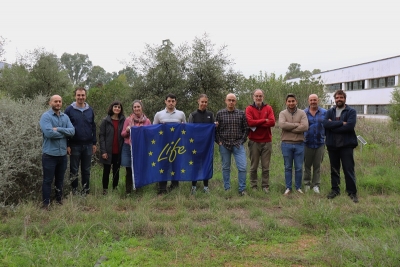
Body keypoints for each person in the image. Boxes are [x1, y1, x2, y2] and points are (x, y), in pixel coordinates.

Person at [323, 89, 359, 203]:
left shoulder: (351, 111)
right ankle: (335, 190)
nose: (339, 99)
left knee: (348, 169)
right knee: (334, 169)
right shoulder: (330, 111)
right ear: (335, 99)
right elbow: (325, 124)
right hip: (332, 145)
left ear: (345, 99)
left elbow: (349, 126)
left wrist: (332, 126)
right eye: (337, 98)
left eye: (341, 97)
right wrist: (340, 123)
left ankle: (352, 192)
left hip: (346, 145)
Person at [39, 95, 75, 209]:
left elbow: (72, 131)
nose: (58, 103)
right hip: (49, 155)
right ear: (50, 103)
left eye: (59, 101)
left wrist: (58, 129)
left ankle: (59, 201)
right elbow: (49, 133)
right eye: (55, 101)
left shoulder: (65, 117)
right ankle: (46, 204)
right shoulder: (46, 116)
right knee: (48, 180)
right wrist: (65, 133)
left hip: (62, 155)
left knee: (60, 180)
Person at [65, 87, 96, 196]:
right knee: (74, 170)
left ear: (85, 96)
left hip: (88, 145)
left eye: (82, 95)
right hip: (74, 145)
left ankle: (85, 192)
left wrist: (94, 143)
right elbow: (65, 128)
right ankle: (74, 192)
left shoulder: (90, 110)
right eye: (78, 95)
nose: (80, 97)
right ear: (75, 96)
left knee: (86, 170)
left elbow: (93, 127)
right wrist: (67, 144)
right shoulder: (69, 110)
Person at [215, 93, 248, 196]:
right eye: (229, 100)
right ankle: (227, 188)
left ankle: (242, 189)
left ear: (235, 102)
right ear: (225, 101)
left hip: (238, 144)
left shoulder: (241, 114)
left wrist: (242, 140)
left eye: (233, 100)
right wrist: (219, 141)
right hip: (224, 144)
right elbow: (216, 130)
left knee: (242, 167)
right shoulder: (220, 114)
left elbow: (246, 129)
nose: (231, 102)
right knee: (226, 167)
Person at [153, 93, 186, 194]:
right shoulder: (159, 114)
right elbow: (153, 129)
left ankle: (174, 187)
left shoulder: (181, 114)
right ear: (165, 101)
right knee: (163, 165)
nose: (171, 103)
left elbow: (185, 129)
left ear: (175, 102)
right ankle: (162, 188)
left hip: (177, 145)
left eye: (173, 101)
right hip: (163, 145)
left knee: (176, 165)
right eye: (169, 101)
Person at [245, 89, 276, 193]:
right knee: (253, 166)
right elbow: (249, 122)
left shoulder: (268, 108)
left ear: (263, 96)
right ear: (253, 96)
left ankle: (265, 186)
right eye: (256, 96)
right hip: (254, 141)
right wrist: (264, 120)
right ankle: (254, 186)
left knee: (265, 166)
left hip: (267, 141)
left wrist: (256, 123)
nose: (258, 98)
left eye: (260, 96)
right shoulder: (249, 108)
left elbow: (272, 122)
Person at [279, 93, 308, 195]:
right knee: (288, 167)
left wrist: (290, 127)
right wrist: (296, 125)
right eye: (289, 101)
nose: (291, 103)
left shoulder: (302, 113)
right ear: (286, 102)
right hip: (286, 144)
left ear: (296, 101)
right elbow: (282, 125)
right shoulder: (282, 113)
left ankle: (298, 187)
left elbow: (305, 127)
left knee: (299, 167)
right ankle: (288, 187)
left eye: (293, 101)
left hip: (299, 144)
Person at [121, 100, 151, 194]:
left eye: (138, 107)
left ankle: (139, 190)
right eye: (135, 107)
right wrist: (127, 130)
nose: (136, 109)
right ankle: (128, 191)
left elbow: (150, 135)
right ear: (132, 109)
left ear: (141, 108)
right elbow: (122, 134)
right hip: (128, 146)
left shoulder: (147, 121)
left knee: (139, 169)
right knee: (129, 169)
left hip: (140, 148)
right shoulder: (128, 120)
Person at [188, 94, 215, 194]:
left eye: (206, 102)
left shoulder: (210, 114)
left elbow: (212, 130)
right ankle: (193, 187)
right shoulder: (193, 115)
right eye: (202, 102)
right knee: (195, 166)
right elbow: (189, 130)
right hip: (195, 145)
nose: (204, 104)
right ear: (198, 101)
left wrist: (215, 125)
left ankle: (206, 187)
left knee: (206, 165)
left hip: (207, 146)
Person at [99, 101, 126, 195]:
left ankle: (115, 189)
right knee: (106, 171)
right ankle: (105, 190)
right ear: (112, 108)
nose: (117, 109)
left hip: (118, 151)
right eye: (115, 107)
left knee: (116, 171)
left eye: (119, 107)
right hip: (107, 151)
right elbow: (101, 136)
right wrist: (103, 151)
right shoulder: (105, 121)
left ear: (121, 109)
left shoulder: (123, 120)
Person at [303, 94, 327, 194]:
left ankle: (316, 185)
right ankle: (307, 184)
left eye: (315, 100)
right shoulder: (303, 113)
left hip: (320, 143)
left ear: (318, 100)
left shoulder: (325, 112)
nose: (313, 102)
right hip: (307, 142)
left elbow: (329, 125)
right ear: (308, 101)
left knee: (317, 166)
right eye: (311, 100)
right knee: (307, 165)